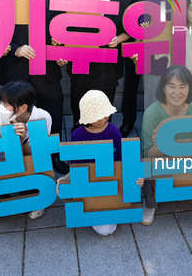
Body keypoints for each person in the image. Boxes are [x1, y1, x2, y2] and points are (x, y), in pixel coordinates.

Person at [0, 0, 66, 144]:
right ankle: (19, 160)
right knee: (15, 121)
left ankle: (53, 156)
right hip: (15, 73)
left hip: (47, 74)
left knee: (52, 113)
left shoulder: (52, 1)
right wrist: (16, 48)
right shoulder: (2, 0)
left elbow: (60, 34)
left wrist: (61, 46)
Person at [56, 90, 144, 236]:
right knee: (104, 228)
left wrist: (135, 176)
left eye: (106, 114)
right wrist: (66, 179)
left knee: (109, 226)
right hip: (90, 183)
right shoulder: (77, 135)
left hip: (113, 180)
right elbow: (77, 166)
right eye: (97, 116)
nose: (103, 119)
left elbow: (123, 160)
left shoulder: (114, 131)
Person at [61, 0, 129, 132]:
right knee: (80, 114)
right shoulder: (78, 0)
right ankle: (80, 152)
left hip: (107, 70)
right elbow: (67, 30)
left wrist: (118, 39)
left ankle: (104, 153)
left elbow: (128, 30)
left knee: (104, 115)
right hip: (81, 68)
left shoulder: (118, 1)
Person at [142, 65, 192, 225]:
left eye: (182, 86)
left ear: (189, 89)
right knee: (145, 168)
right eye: (171, 86)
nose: (177, 92)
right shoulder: (152, 113)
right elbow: (147, 154)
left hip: (186, 164)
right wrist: (165, 145)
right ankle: (150, 204)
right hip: (161, 164)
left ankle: (182, 190)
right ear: (163, 88)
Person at [120, 0, 169, 138]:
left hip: (161, 39)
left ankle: (159, 123)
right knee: (131, 83)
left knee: (160, 81)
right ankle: (127, 121)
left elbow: (174, 5)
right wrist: (137, 28)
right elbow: (126, 1)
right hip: (135, 37)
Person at [0, 81, 53, 222]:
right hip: (2, 165)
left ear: (22, 108)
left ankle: (35, 198)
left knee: (34, 179)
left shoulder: (43, 117)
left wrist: (21, 141)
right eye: (1, 102)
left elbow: (40, 155)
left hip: (29, 163)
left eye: (6, 104)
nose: (1, 107)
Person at [143, 0, 192, 108]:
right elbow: (145, 27)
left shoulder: (189, 0)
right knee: (154, 104)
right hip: (156, 63)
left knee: (177, 107)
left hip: (180, 62)